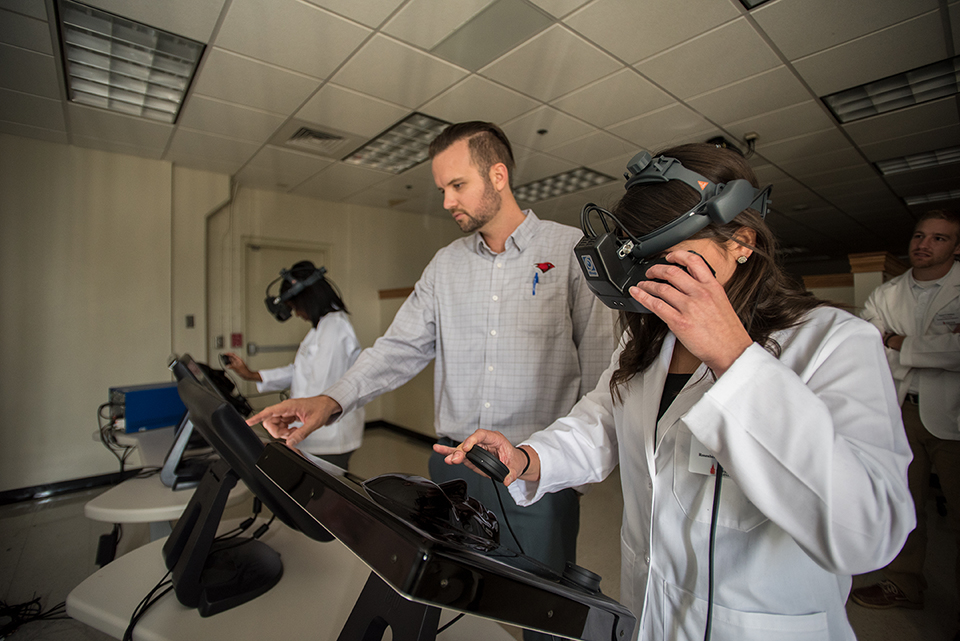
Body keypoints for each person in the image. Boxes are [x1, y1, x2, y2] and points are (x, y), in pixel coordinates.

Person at [437, 143, 915, 641]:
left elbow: (869, 532)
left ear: (741, 243)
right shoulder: (648, 341)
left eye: (666, 257)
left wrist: (733, 357)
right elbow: (601, 421)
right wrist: (529, 459)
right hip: (651, 611)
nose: (650, 278)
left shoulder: (833, 342)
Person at [246, 122, 617, 640]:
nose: (446, 201)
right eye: (441, 188)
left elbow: (602, 374)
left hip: (531, 475)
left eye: (456, 185)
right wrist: (331, 400)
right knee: (434, 601)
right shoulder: (445, 266)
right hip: (451, 473)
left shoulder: (571, 251)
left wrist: (566, 479)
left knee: (543, 624)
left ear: (498, 175)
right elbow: (398, 350)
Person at [850, 209, 960, 628]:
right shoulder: (888, 293)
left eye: (939, 238)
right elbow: (869, 347)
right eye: (919, 236)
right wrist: (934, 348)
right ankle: (905, 582)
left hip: (953, 417)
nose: (924, 245)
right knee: (905, 505)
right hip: (900, 412)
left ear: (956, 246)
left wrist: (898, 342)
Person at [225, 261, 363, 469]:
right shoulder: (321, 328)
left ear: (307, 299)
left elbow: (321, 387)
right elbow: (300, 371)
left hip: (328, 436)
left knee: (323, 499)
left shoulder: (335, 329)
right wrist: (251, 375)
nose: (297, 314)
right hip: (314, 431)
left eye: (295, 307)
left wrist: (287, 423)